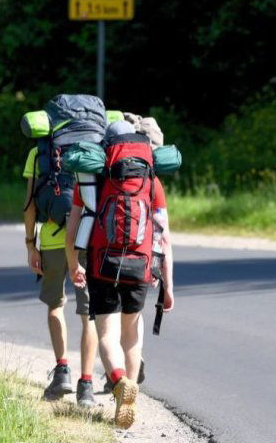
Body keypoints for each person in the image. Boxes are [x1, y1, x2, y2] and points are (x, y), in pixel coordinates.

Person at [64, 172, 175, 429]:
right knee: (132, 336)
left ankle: (119, 380)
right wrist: (168, 285)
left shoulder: (91, 179)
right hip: (140, 267)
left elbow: (72, 231)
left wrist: (73, 265)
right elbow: (164, 237)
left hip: (103, 265)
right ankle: (127, 404)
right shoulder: (151, 181)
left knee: (106, 336)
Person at [23, 146, 97, 408]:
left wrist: (30, 244)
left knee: (56, 305)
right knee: (89, 314)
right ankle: (86, 385)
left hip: (52, 240)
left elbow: (30, 204)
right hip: (86, 238)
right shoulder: (91, 146)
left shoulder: (39, 151)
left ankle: (62, 371)